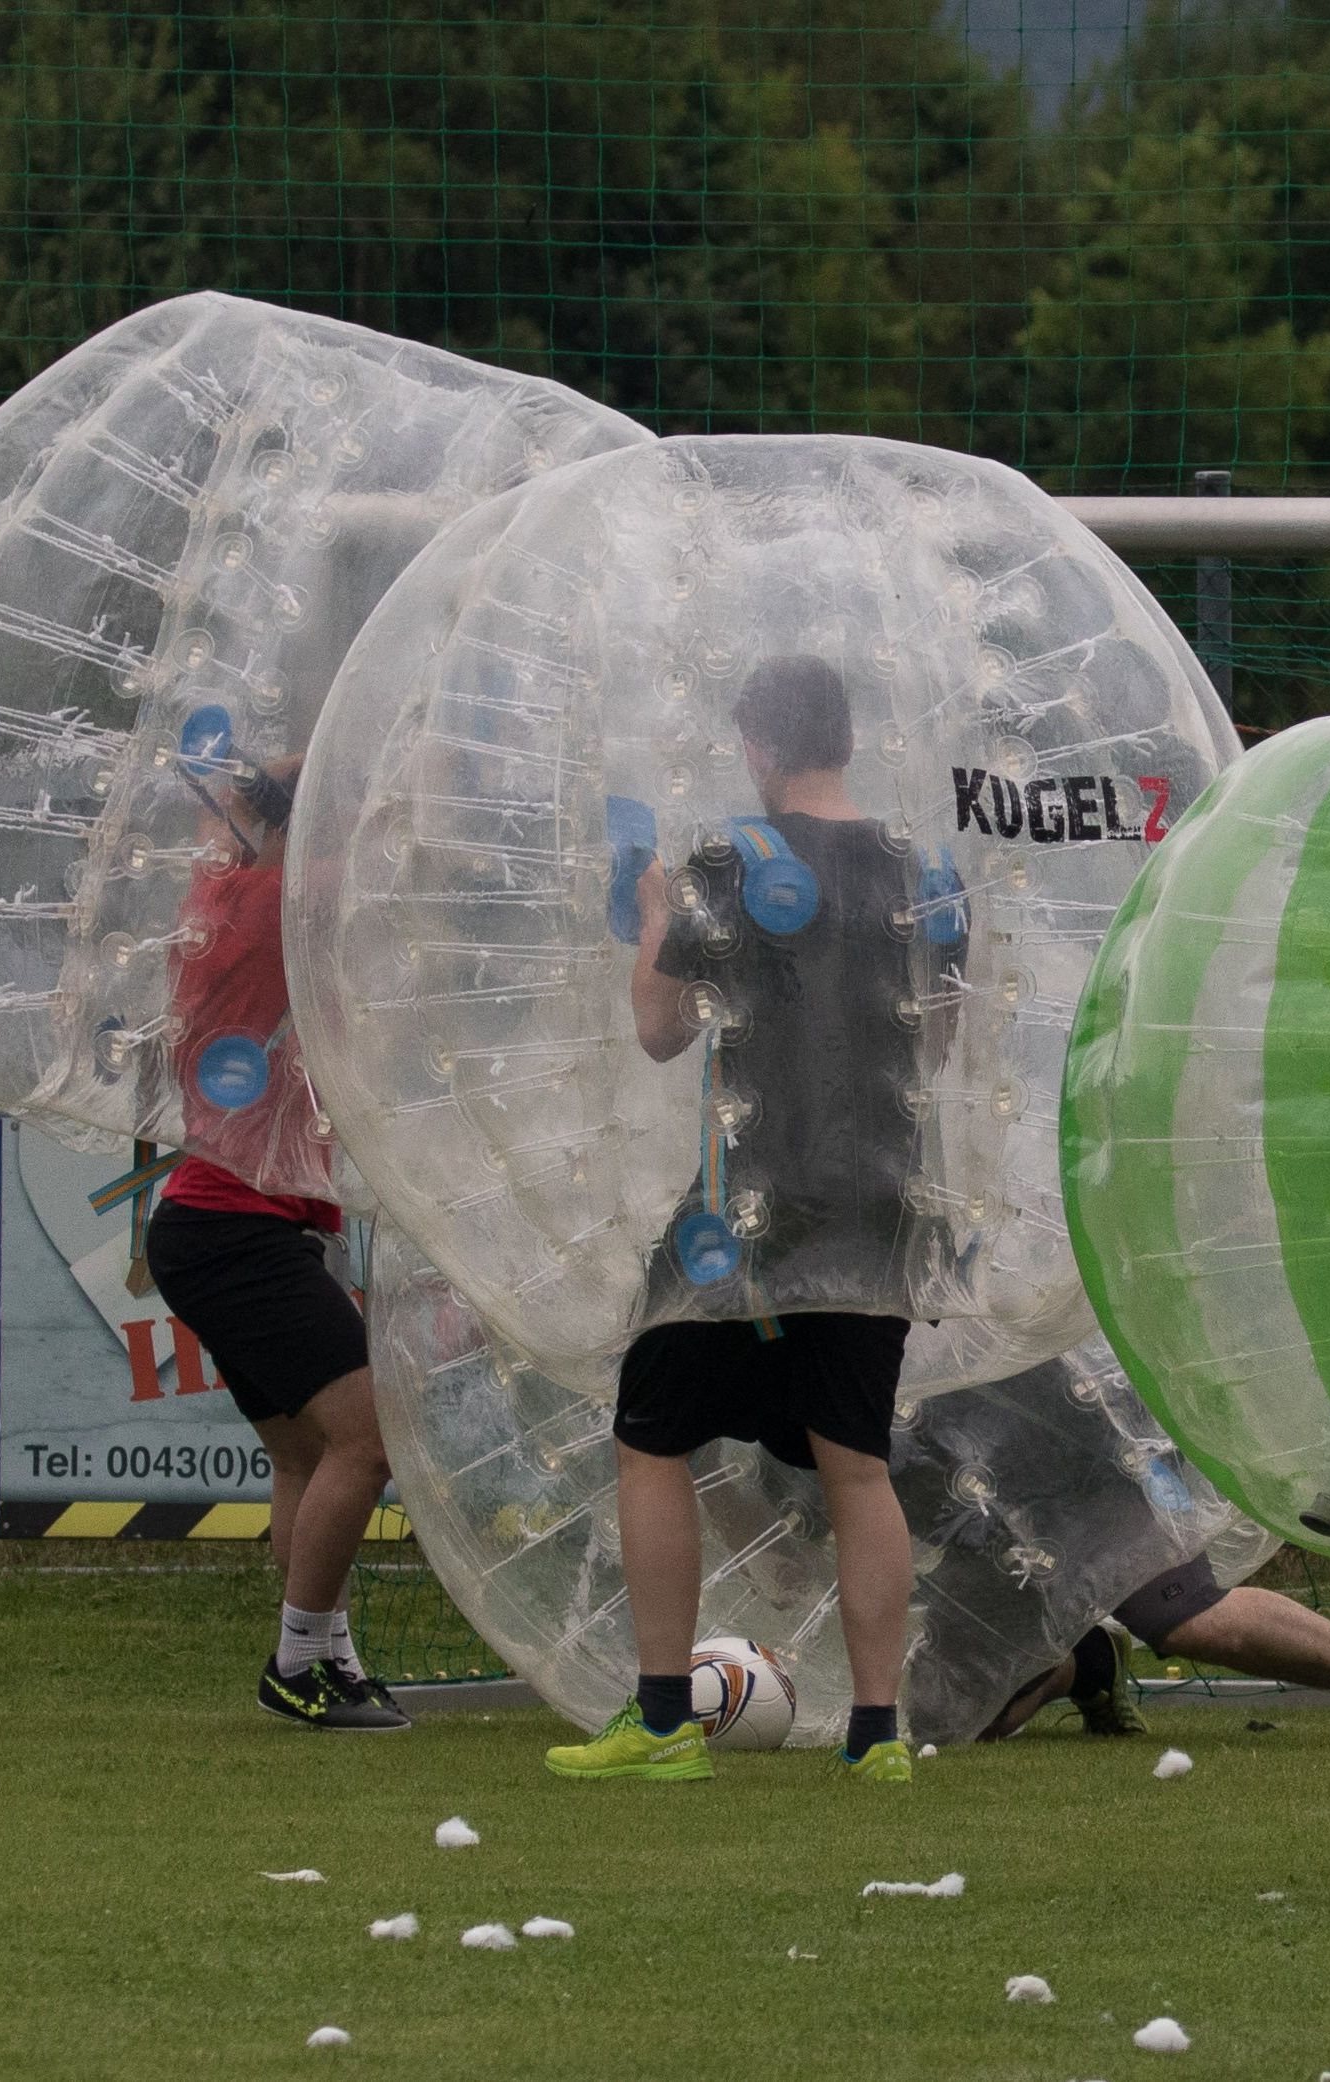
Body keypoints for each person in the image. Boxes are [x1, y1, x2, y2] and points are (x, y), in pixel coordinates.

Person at [547, 658, 940, 1786]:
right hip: (880, 1203)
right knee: (856, 1466)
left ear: (760, 748)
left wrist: (654, 918)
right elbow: (938, 1042)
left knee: (652, 1434)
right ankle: (879, 1736)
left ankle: (664, 1719)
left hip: (747, 1209)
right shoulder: (918, 871)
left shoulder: (730, 859)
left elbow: (661, 1030)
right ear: (846, 740)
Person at [143, 754, 407, 1732]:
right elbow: (393, 853)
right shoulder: (279, 904)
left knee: (304, 1455)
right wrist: (352, 761)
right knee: (366, 1438)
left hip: (223, 1223)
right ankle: (296, 1663)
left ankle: (329, 1659)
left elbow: (231, 830)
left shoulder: (217, 898)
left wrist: (259, 790)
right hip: (234, 1226)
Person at [975, 1563, 1330, 1744]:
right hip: (971, 1490)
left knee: (1189, 1619)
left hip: (1089, 1458)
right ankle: (1085, 1663)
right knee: (971, 1721)